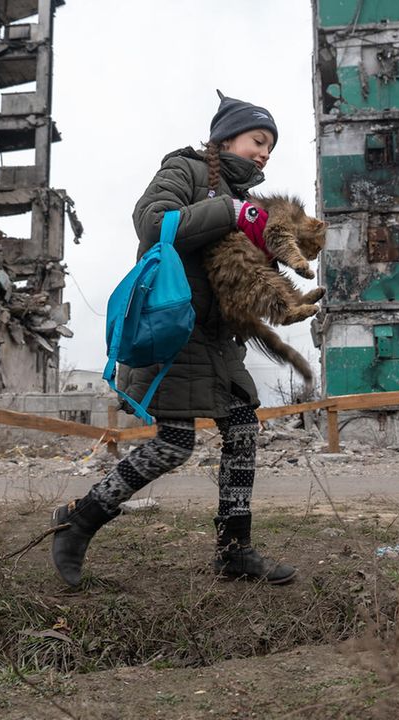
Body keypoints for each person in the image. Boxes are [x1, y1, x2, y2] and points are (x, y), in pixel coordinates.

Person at [51, 90, 297, 588]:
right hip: (172, 328)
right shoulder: (185, 170)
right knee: (175, 443)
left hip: (217, 338)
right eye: (258, 139)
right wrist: (230, 213)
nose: (265, 152)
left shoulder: (245, 201)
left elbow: (231, 271)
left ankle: (234, 549)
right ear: (225, 137)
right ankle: (80, 518)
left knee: (244, 426)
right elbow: (152, 224)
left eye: (271, 145)